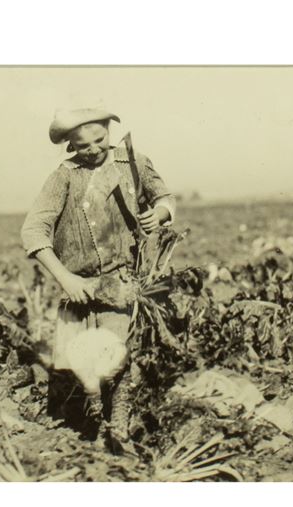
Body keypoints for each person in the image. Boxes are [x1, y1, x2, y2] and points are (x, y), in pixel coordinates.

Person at [21, 108, 175, 448]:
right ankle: (95, 420)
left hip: (119, 280)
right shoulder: (64, 176)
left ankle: (117, 426)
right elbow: (33, 231)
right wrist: (66, 279)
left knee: (114, 355)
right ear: (70, 145)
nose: (92, 149)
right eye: (82, 145)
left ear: (109, 131)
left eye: (99, 140)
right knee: (84, 366)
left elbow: (164, 197)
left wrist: (159, 215)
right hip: (78, 285)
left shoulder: (133, 163)